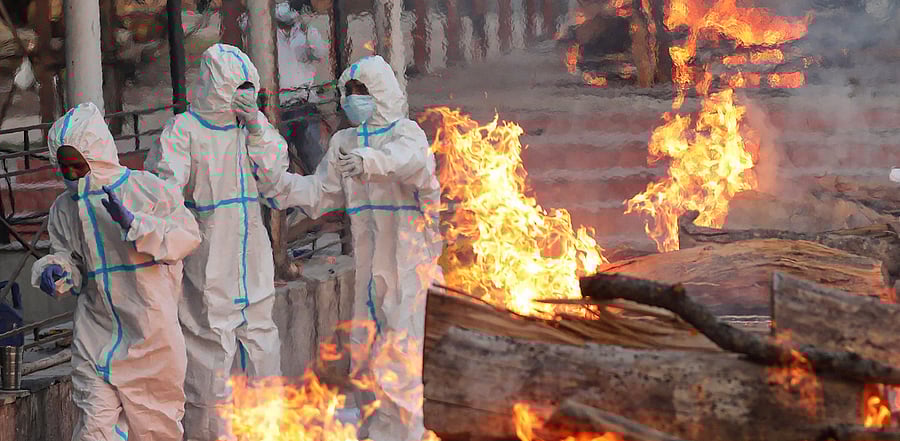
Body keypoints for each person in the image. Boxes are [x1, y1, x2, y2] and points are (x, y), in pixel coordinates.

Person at [250, 55, 444, 441]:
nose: (354, 99)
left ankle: (406, 435)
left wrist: (369, 161)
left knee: (402, 355)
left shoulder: (406, 134)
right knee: (366, 353)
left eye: (362, 91)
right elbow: (322, 191)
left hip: (408, 263)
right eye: (350, 91)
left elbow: (409, 163)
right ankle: (375, 430)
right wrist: (281, 188)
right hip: (368, 266)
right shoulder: (345, 142)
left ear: (381, 92)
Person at [31, 102, 201, 441]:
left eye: (78, 166)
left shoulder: (146, 190)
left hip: (150, 339)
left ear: (98, 157)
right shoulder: (64, 209)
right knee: (95, 430)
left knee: (155, 432)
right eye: (64, 168)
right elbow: (69, 259)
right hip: (96, 336)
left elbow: (187, 237)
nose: (72, 175)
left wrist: (136, 225)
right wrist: (56, 270)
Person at [143, 43, 287, 441]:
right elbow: (164, 192)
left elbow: (275, 177)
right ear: (217, 88)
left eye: (249, 90)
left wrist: (257, 128)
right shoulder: (184, 131)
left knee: (263, 351)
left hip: (253, 261)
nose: (244, 98)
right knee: (210, 360)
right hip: (209, 263)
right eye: (237, 90)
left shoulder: (251, 129)